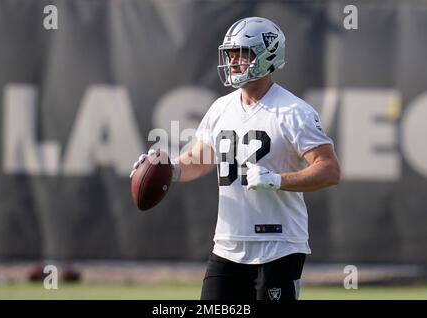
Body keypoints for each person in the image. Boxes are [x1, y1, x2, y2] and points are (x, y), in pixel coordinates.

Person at [130, 17, 341, 300]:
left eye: (242, 53)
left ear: (267, 56)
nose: (233, 62)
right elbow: (200, 158)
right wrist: (167, 168)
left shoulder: (294, 111)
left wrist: (277, 180)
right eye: (230, 54)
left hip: (278, 245)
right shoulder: (221, 108)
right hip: (228, 244)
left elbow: (329, 170)